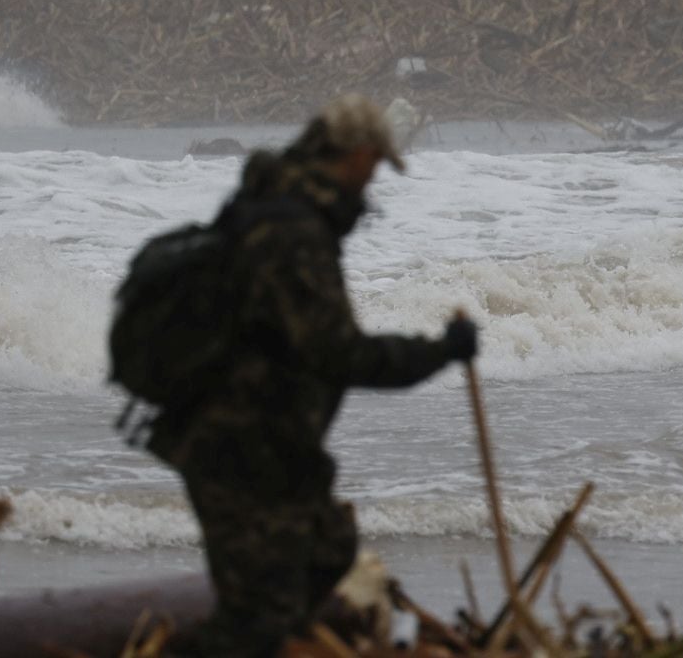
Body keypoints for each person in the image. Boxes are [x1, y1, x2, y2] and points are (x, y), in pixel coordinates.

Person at [142, 94, 477, 657]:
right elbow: (338, 352)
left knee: (327, 546)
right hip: (236, 445)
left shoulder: (280, 205)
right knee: (255, 620)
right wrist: (438, 352)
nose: (372, 182)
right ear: (357, 154)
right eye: (375, 165)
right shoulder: (293, 232)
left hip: (270, 443)